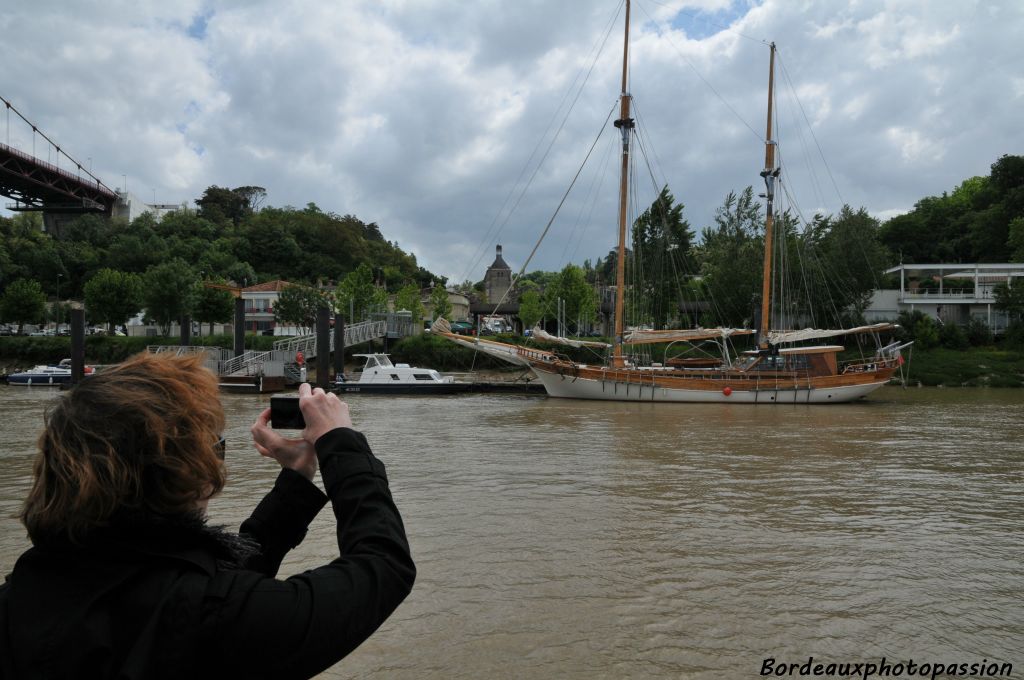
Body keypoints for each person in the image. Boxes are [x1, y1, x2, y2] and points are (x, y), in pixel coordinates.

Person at [0, 352, 415, 679]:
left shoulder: (23, 593)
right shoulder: (210, 619)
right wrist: (340, 443)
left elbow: (199, 580)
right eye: (213, 448)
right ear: (183, 473)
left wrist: (297, 477)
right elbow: (382, 565)